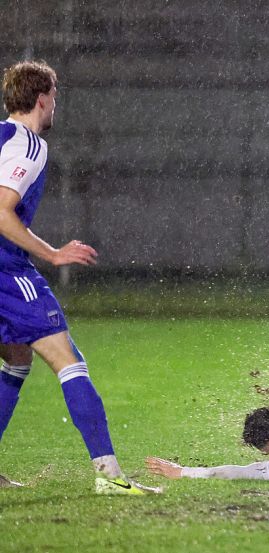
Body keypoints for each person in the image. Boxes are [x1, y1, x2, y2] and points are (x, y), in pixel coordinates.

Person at [0, 61, 154, 494]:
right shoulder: (28, 145)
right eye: (55, 98)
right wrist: (52, 253)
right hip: (7, 271)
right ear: (43, 99)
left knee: (16, 359)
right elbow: (1, 211)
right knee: (70, 363)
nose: (55, 107)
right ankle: (109, 476)